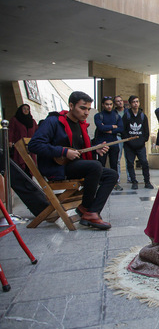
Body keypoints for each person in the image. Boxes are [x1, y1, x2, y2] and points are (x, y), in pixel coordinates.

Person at [28, 91, 117, 230]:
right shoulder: (54, 121)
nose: (86, 112)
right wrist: (63, 152)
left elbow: (78, 150)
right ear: (71, 105)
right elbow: (34, 145)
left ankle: (91, 212)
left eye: (88, 109)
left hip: (73, 165)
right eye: (83, 108)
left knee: (112, 175)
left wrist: (95, 149)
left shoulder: (80, 125)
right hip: (56, 168)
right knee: (95, 166)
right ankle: (87, 208)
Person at [122, 95, 153, 190]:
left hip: (140, 145)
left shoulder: (143, 116)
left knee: (144, 162)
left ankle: (147, 181)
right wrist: (128, 141)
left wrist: (143, 140)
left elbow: (146, 131)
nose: (136, 103)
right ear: (130, 104)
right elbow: (123, 130)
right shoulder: (126, 115)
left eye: (137, 101)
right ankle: (133, 181)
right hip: (129, 145)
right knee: (130, 163)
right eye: (134, 102)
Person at [94, 96, 124, 191]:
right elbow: (100, 128)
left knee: (114, 164)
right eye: (107, 104)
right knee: (101, 164)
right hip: (102, 144)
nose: (109, 106)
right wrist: (113, 126)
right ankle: (100, 182)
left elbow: (121, 128)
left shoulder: (116, 116)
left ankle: (115, 183)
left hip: (114, 143)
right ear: (103, 104)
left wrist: (109, 129)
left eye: (111, 104)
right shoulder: (98, 116)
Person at [8, 104, 38, 175]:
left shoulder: (32, 121)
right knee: (20, 164)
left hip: (30, 146)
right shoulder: (15, 120)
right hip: (20, 146)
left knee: (31, 166)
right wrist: (10, 141)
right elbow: (11, 131)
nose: (26, 110)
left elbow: (37, 131)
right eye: (24, 109)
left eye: (27, 109)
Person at [113, 95, 127, 183]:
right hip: (118, 136)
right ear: (115, 103)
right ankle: (117, 178)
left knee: (128, 158)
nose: (120, 102)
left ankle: (130, 178)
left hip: (127, 136)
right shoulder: (113, 113)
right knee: (118, 158)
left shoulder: (127, 112)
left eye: (121, 100)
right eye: (117, 101)